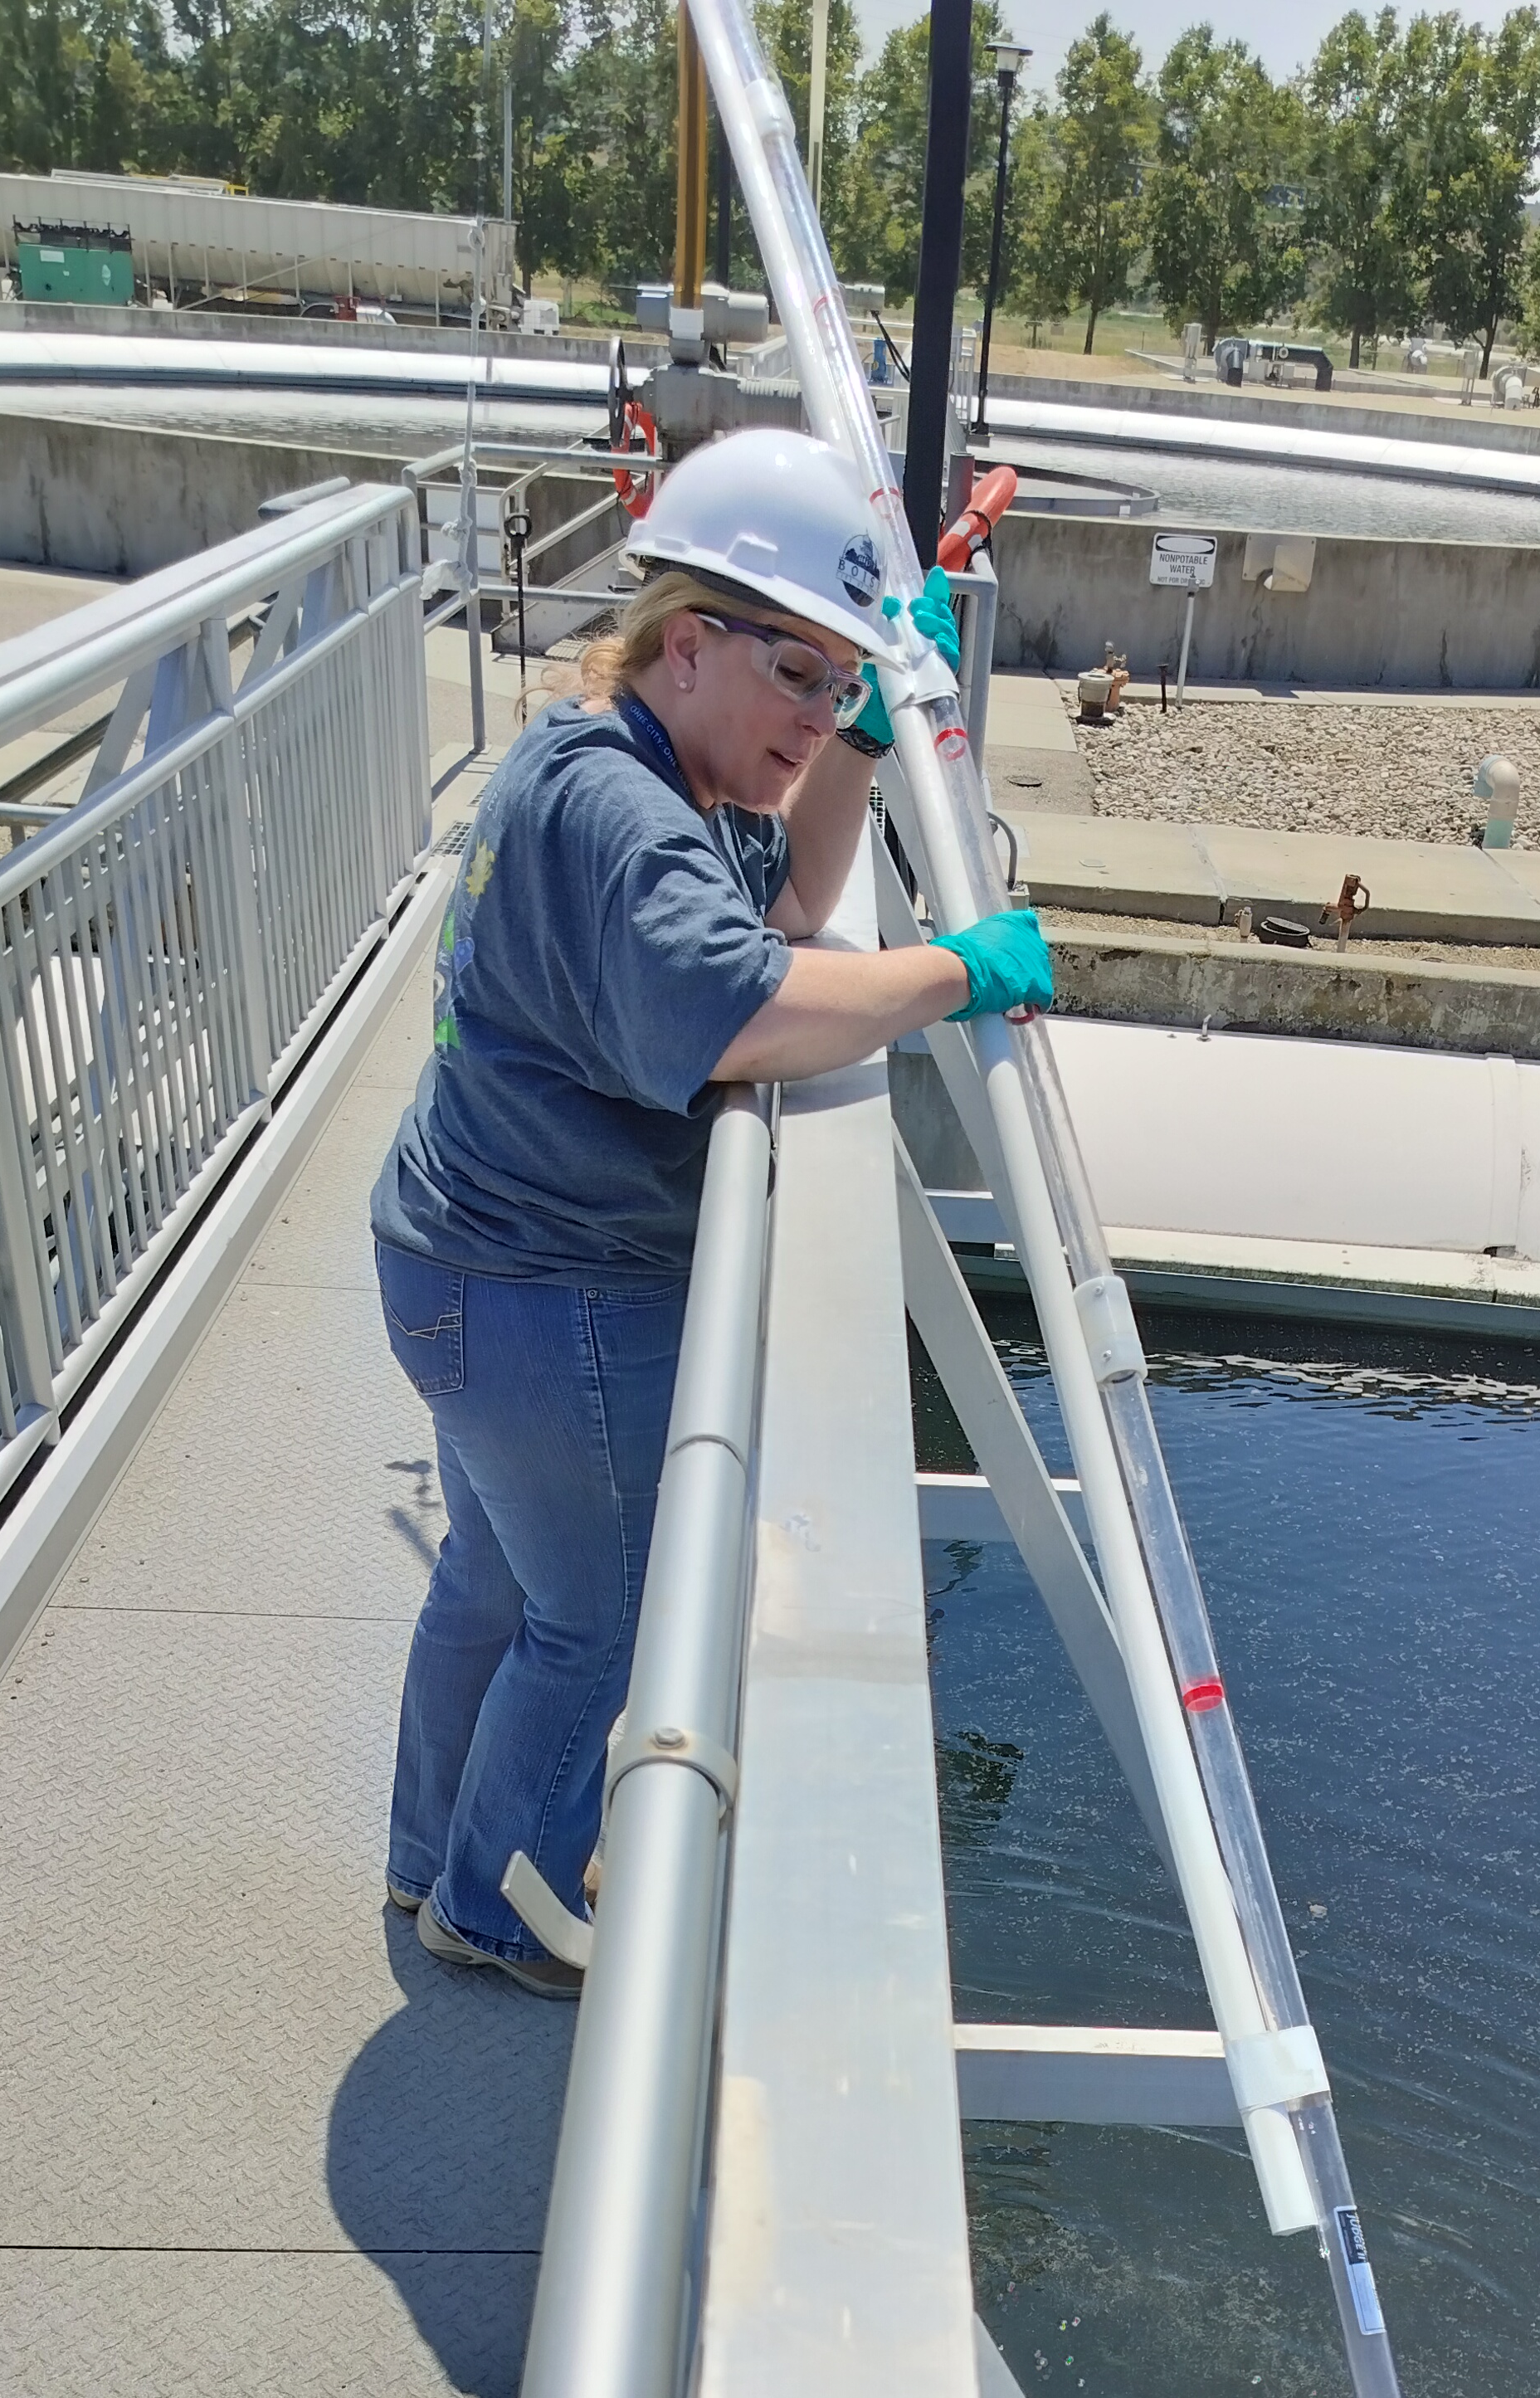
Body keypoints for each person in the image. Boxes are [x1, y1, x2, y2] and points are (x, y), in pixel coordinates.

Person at [372, 426, 1052, 1996]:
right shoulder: (620, 821)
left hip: (454, 1261)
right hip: (547, 1291)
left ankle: (428, 1860)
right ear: (695, 643)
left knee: (492, 1581)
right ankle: (497, 1901)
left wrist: (868, 735)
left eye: (841, 686)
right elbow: (744, 1007)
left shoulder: (624, 751)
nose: (819, 720)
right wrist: (963, 968)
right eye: (805, 678)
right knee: (599, 1618)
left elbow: (792, 908)